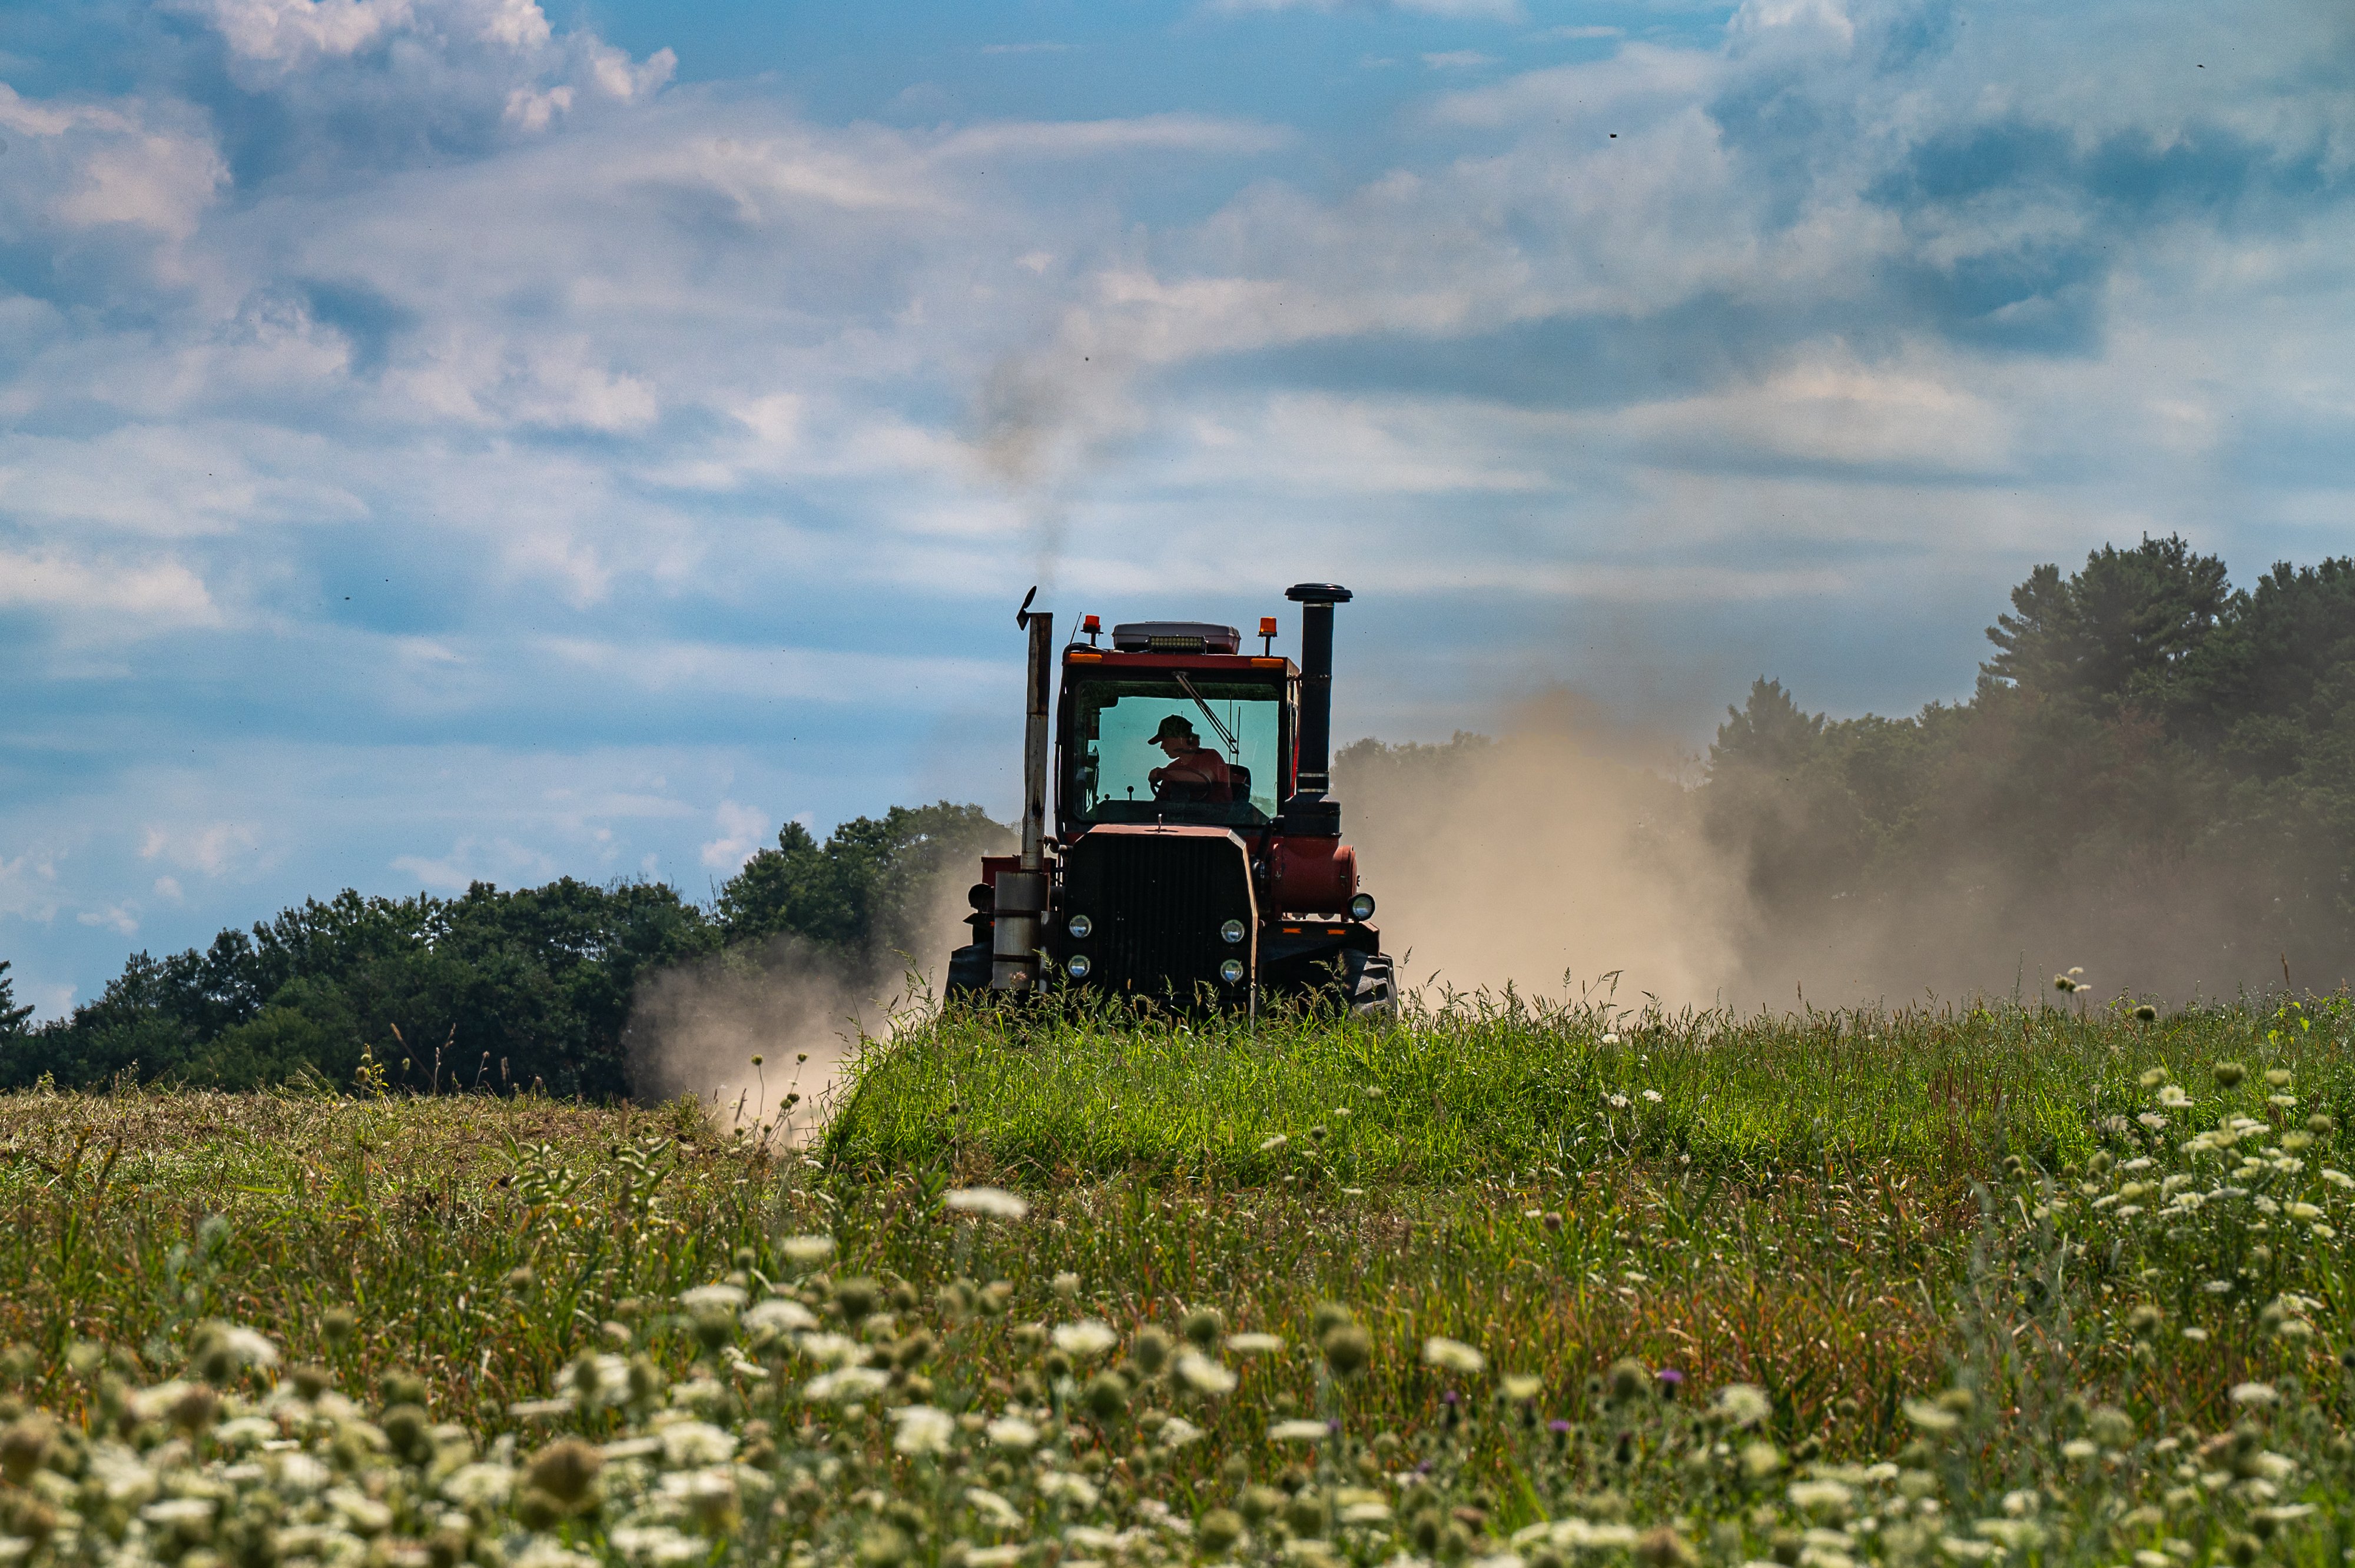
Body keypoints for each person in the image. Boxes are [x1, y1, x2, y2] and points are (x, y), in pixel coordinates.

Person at [1147, 715, 1233, 802]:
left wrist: (1162, 773)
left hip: (1217, 814)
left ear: (1181, 739)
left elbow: (1203, 779)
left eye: (1165, 741)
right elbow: (1158, 804)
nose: (1162, 747)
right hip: (1185, 815)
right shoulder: (1172, 768)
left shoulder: (1210, 756)